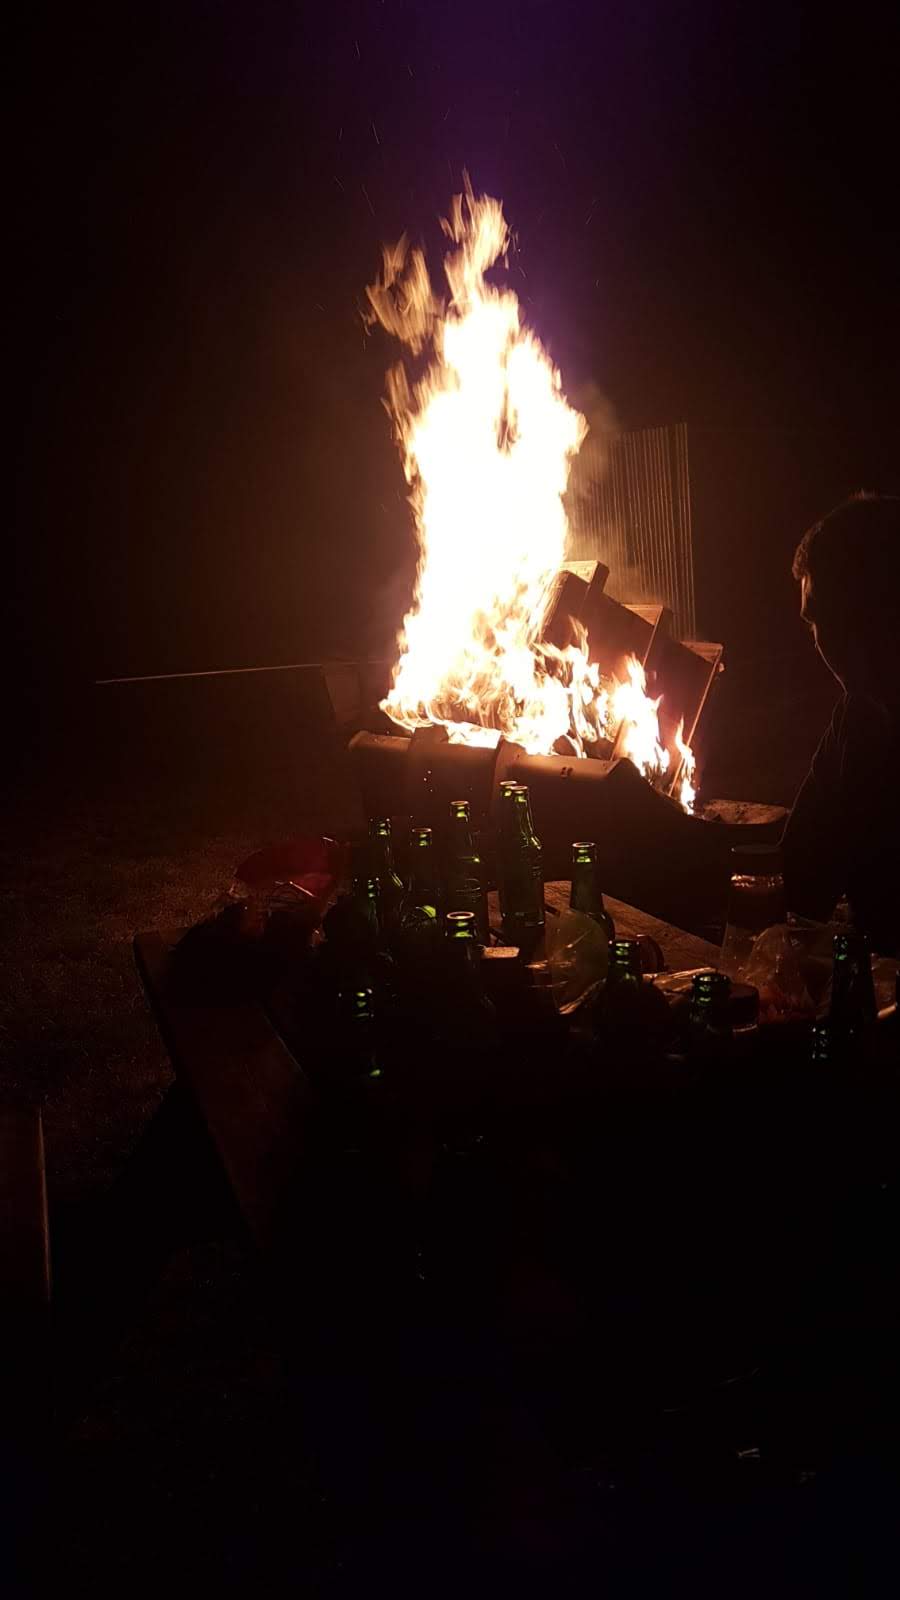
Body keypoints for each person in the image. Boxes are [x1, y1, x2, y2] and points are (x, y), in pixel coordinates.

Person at [781, 492, 900, 955]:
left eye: (829, 614)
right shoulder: (855, 718)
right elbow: (799, 875)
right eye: (813, 622)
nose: (821, 641)